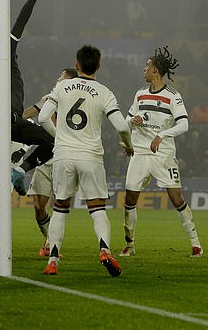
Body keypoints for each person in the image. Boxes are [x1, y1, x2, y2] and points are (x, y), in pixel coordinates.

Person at [38, 45, 133, 276]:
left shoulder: (62, 86)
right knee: (98, 209)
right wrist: (129, 145)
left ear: (77, 65)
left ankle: (52, 261)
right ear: (98, 66)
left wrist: (60, 137)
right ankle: (104, 250)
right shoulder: (104, 92)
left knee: (60, 210)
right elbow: (121, 126)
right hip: (90, 156)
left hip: (63, 156)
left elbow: (42, 117)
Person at [120, 46, 203, 258]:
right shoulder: (140, 95)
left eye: (147, 66)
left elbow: (184, 124)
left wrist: (162, 135)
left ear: (155, 70)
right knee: (130, 199)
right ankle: (130, 244)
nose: (144, 69)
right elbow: (126, 122)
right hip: (139, 152)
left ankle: (196, 244)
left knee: (176, 198)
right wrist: (133, 120)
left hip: (163, 154)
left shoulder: (173, 96)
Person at [0, 0, 57, 195]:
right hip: (12, 120)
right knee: (53, 143)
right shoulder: (5, 53)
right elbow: (19, 23)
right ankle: (21, 169)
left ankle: (14, 171)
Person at [22, 67, 78, 257]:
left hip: (65, 155)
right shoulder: (49, 97)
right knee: (39, 205)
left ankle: (52, 245)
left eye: (61, 76)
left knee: (60, 203)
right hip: (47, 154)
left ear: (69, 81)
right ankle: (48, 239)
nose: (57, 78)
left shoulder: (78, 99)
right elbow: (29, 113)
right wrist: (13, 119)